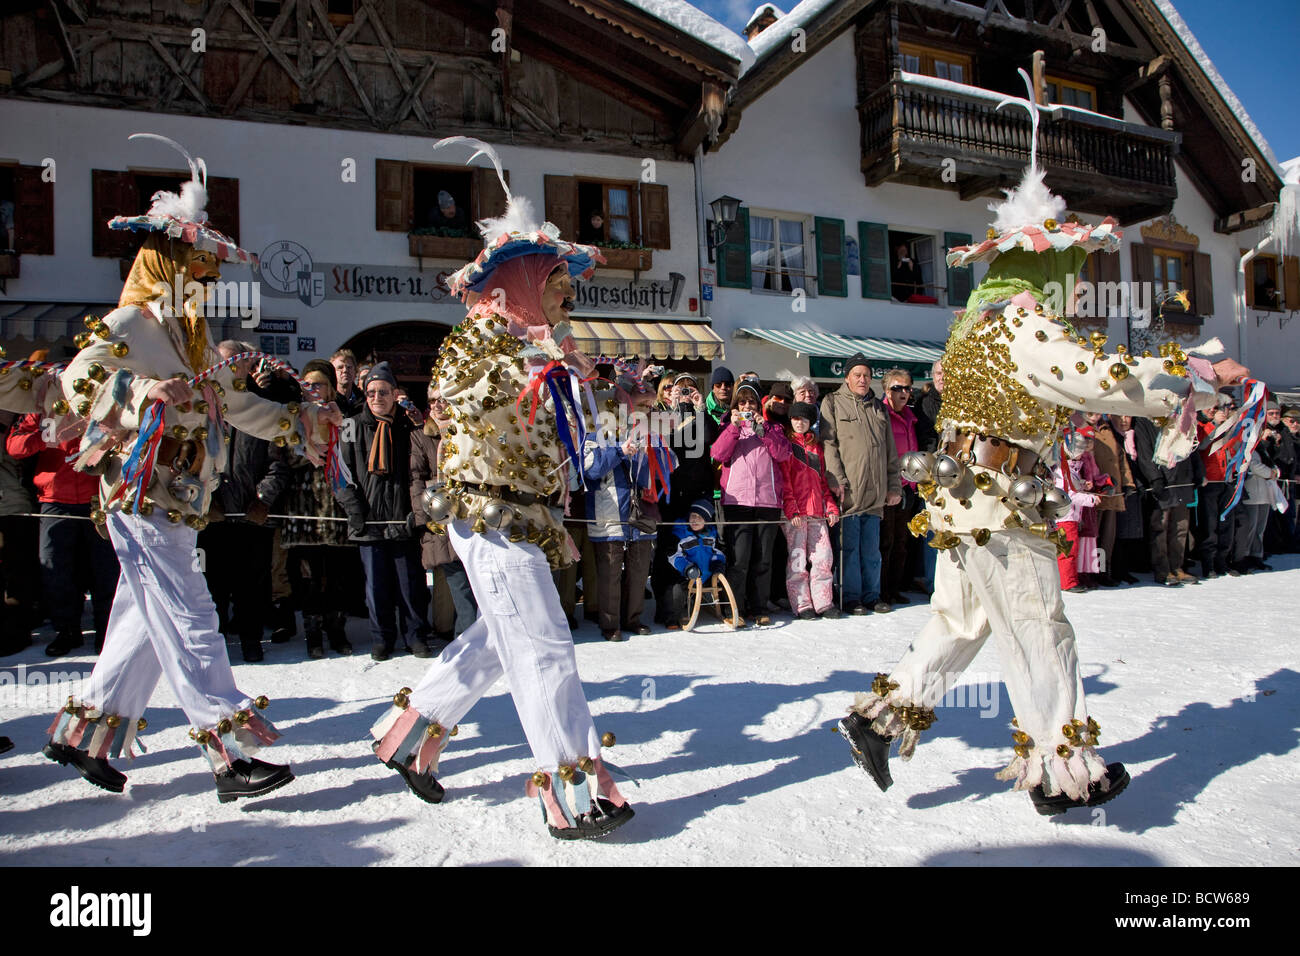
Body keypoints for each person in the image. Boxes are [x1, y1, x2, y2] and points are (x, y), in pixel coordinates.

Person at [836, 149, 1237, 815]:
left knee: (962, 620)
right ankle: (1062, 769)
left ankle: (882, 716)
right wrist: (1191, 374)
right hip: (1002, 503)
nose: (1078, 289)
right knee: (1036, 625)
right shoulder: (1023, 325)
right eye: (1073, 273)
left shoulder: (970, 334)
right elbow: (1100, 376)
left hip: (962, 501)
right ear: (1047, 271)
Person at [0, 134, 340, 800]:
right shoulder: (129, 322)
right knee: (189, 616)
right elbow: (78, 381)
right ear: (167, 267)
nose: (208, 286)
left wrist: (300, 425)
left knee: (143, 627)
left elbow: (235, 405)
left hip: (179, 500)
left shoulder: (194, 341)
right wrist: (140, 392)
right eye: (199, 274)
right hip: (139, 495)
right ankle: (231, 752)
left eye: (211, 279)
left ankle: (80, 735)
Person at [368, 138, 633, 840]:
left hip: (524, 510)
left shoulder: (540, 342)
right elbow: (461, 395)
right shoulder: (480, 338)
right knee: (543, 641)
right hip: (487, 511)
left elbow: (573, 419)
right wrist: (544, 365)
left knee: (500, 637)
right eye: (556, 283)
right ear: (521, 282)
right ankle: (573, 787)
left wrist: (604, 387)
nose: (568, 295)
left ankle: (406, 733)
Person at [333, 362, 433, 661]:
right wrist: (355, 512)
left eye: (384, 391)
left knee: (411, 585)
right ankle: (382, 638)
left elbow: (421, 468)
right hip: (367, 521)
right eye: (372, 392)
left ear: (394, 394)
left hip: (402, 519)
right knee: (376, 588)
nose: (378, 397)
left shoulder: (407, 427)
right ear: (365, 395)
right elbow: (340, 474)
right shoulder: (351, 425)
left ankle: (416, 635)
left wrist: (416, 511)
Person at [6, 403, 120, 656]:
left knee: (106, 569)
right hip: (54, 500)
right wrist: (49, 436)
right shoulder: (45, 408)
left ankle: (107, 630)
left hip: (99, 498)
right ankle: (67, 630)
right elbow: (14, 447)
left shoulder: (105, 402)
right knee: (55, 568)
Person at [278, 359, 355, 658]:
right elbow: (283, 457)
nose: (314, 390)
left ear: (331, 389)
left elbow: (352, 457)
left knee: (337, 574)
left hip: (336, 507)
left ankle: (336, 629)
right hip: (304, 506)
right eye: (308, 385)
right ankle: (313, 632)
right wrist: (310, 448)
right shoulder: (292, 418)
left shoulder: (344, 418)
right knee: (308, 576)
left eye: (320, 384)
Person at [820, 353, 901, 615]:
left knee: (872, 548)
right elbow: (829, 445)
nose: (863, 379)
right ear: (847, 378)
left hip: (876, 490)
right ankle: (851, 597)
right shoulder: (833, 402)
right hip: (850, 489)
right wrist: (836, 479)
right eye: (858, 375)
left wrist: (894, 485)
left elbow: (890, 450)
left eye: (866, 375)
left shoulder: (878, 407)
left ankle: (872, 595)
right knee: (850, 547)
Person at [711, 382, 791, 626]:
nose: (747, 407)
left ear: (759, 406)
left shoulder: (772, 428)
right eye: (742, 402)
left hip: (767, 501)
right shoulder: (728, 426)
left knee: (764, 558)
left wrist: (763, 429)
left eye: (751, 402)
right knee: (739, 558)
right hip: (737, 500)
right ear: (736, 406)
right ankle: (734, 607)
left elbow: (783, 454)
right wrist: (735, 427)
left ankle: (759, 606)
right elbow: (717, 454)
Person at [780, 402, 840, 618]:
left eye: (804, 419)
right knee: (798, 559)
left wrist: (831, 506)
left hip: (817, 512)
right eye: (796, 419)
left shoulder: (816, 447)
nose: (799, 423)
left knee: (823, 557)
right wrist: (792, 509)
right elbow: (785, 482)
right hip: (796, 513)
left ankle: (824, 602)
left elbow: (822, 481)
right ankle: (802, 604)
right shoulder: (787, 445)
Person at [1132, 415, 1203, 586]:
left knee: (1181, 527)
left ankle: (1177, 567)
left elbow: (1191, 445)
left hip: (1182, 478)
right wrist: (1154, 478)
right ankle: (1163, 569)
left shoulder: (1181, 416)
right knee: (1160, 527)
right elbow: (1144, 451)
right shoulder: (1145, 420)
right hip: (1162, 480)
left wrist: (1199, 471)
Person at [879, 369, 920, 606]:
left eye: (907, 388)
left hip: (908, 486)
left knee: (901, 543)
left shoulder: (910, 416)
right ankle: (882, 591)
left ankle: (894, 589)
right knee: (886, 542)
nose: (903, 393)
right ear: (886, 390)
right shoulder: (882, 414)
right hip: (888, 487)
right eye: (897, 388)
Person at [1085, 410, 1131, 586]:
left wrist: (1128, 483)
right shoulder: (1081, 428)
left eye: (1097, 411)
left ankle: (1104, 571)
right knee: (1091, 536)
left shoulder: (1107, 429)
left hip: (1111, 490)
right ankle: (1089, 571)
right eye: (1091, 411)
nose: (1095, 415)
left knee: (1107, 537)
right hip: (1093, 492)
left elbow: (1120, 458)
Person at [667, 499, 727, 623]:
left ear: (706, 520)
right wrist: (687, 567)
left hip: (708, 573)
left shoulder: (711, 534)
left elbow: (718, 552)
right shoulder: (681, 534)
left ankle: (726, 610)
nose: (695, 520)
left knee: (725, 580)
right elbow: (674, 555)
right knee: (676, 591)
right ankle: (673, 618)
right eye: (693, 516)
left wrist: (717, 563)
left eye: (700, 517)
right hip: (687, 575)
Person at [331, 348, 363, 417]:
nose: (345, 370)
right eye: (340, 367)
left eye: (349, 367)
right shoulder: (328, 400)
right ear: (332, 372)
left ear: (355, 371)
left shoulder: (365, 402)